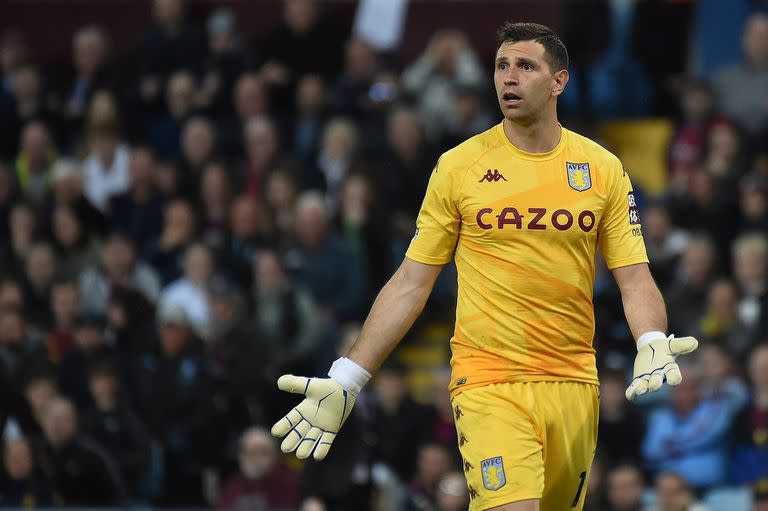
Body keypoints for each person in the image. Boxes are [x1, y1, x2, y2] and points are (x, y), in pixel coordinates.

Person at [270, 22, 699, 511]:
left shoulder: (602, 168)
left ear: (559, 81)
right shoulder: (460, 167)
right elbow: (412, 281)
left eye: (525, 66)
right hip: (488, 380)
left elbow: (635, 277)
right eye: (501, 66)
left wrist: (649, 339)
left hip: (574, 382)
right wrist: (348, 376)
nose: (508, 78)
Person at [216, 427, 300, 510]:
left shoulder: (289, 484)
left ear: (275, 455)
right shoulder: (232, 487)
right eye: (249, 452)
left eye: (262, 453)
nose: (255, 459)